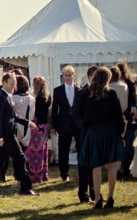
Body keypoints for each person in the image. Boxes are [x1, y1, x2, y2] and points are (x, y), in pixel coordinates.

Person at [77, 67, 125, 209]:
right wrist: (121, 131)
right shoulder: (111, 93)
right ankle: (110, 197)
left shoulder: (86, 93)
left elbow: (80, 113)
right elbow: (118, 114)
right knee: (111, 166)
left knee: (96, 166)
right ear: (108, 78)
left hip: (94, 131)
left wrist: (88, 122)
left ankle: (97, 198)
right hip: (110, 131)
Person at [72, 66, 97, 204]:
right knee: (84, 165)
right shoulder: (82, 92)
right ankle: (83, 194)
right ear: (90, 77)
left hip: (96, 132)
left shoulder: (100, 92)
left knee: (95, 164)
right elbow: (76, 114)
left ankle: (95, 192)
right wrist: (84, 127)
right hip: (85, 133)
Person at [52, 65, 81, 183]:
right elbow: (54, 109)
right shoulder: (58, 90)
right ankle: (64, 174)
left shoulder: (80, 89)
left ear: (74, 76)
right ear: (63, 76)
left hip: (77, 124)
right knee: (63, 150)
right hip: (63, 124)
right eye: (66, 75)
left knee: (81, 148)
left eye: (70, 75)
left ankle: (82, 171)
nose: (68, 78)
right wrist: (54, 126)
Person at [26, 76, 51, 184]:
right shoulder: (47, 97)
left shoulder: (35, 98)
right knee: (43, 152)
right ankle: (43, 174)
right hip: (44, 126)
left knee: (34, 153)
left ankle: (35, 176)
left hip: (36, 127)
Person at [117, 59, 137, 178]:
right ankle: (119, 169)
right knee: (120, 145)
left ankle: (128, 169)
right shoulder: (112, 83)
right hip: (117, 119)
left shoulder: (129, 83)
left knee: (128, 145)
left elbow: (132, 102)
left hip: (129, 119)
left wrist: (126, 114)